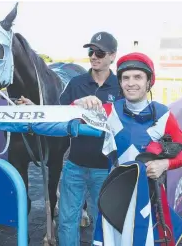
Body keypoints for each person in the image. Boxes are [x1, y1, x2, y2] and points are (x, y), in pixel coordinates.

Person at [74, 52, 182, 245]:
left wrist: (164, 164)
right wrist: (80, 103)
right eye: (125, 78)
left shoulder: (164, 115)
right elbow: (70, 115)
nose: (131, 83)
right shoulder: (108, 111)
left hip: (151, 200)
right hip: (115, 199)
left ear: (149, 81)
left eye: (138, 77)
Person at [58, 31, 122, 246]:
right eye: (90, 51)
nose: (94, 56)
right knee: (67, 221)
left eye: (100, 52)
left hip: (105, 169)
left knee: (104, 223)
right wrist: (75, 106)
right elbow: (58, 114)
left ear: (112, 56)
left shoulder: (122, 86)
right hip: (74, 165)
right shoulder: (76, 83)